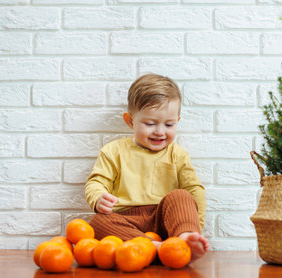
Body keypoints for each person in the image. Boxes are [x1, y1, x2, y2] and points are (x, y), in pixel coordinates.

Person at [85, 73, 209, 262]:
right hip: (126, 220)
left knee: (182, 196)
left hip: (164, 220)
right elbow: (96, 182)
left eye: (169, 124)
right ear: (130, 121)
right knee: (97, 222)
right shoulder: (113, 151)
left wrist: (194, 228)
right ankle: (158, 248)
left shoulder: (177, 154)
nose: (159, 131)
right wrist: (98, 197)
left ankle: (183, 241)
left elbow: (195, 191)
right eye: (150, 123)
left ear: (178, 121)